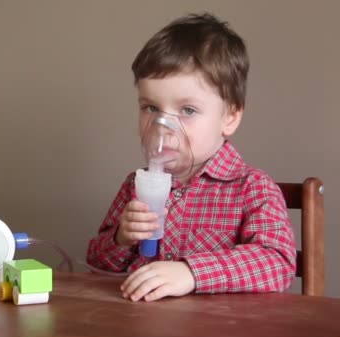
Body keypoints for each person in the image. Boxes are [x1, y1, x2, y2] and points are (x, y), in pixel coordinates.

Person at [86, 13, 296, 302]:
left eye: (187, 110)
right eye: (150, 108)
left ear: (230, 117)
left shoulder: (252, 188)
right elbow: (97, 263)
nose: (162, 126)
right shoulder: (135, 186)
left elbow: (277, 264)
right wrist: (122, 237)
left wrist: (192, 272)